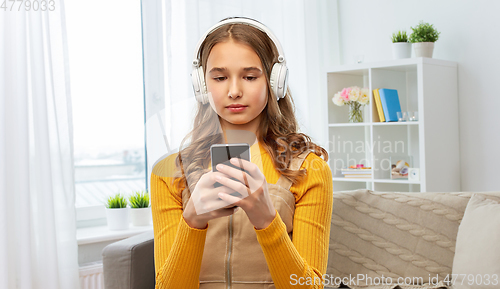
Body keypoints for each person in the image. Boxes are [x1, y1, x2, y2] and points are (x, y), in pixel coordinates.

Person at [151, 17, 333, 289]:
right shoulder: (169, 172)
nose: (234, 91)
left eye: (249, 77)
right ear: (202, 86)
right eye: (220, 77)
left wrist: (267, 222)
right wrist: (193, 220)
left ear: (274, 82)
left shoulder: (310, 169)